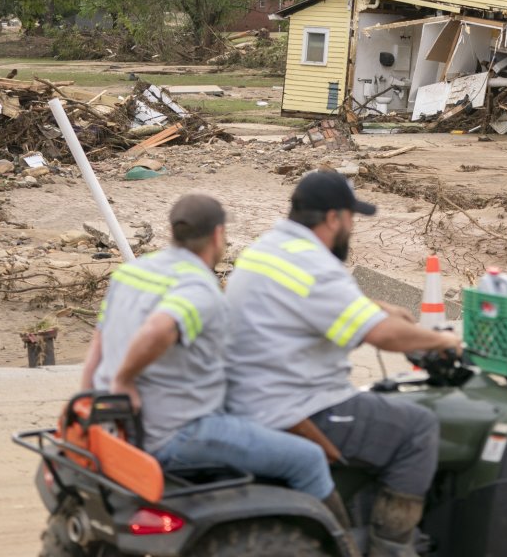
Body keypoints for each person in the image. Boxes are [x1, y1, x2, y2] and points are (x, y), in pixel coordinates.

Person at [224, 170, 462, 557]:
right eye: (352, 219)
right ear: (334, 218)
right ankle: (392, 548)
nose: (352, 229)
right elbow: (382, 336)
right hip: (295, 405)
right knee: (418, 428)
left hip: (249, 396)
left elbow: (314, 302)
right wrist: (444, 339)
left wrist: (380, 308)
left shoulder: (269, 248)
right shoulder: (316, 266)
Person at [79, 193, 345, 522]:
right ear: (218, 235)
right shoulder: (199, 290)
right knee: (309, 459)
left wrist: (89, 402)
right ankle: (345, 544)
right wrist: (124, 379)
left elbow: (97, 348)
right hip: (180, 433)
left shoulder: (131, 273)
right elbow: (158, 330)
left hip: (120, 430)